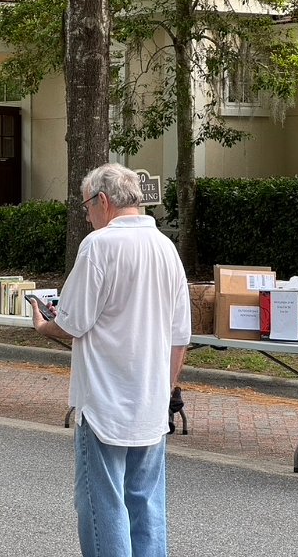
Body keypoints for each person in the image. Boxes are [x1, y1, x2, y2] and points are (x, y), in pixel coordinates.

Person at [29, 163, 191, 557]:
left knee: (102, 508)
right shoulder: (165, 248)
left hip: (103, 403)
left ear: (103, 200)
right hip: (150, 402)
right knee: (146, 505)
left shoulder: (99, 246)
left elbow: (71, 323)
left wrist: (41, 324)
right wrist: (167, 390)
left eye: (87, 207)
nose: (86, 217)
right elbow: (179, 336)